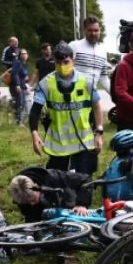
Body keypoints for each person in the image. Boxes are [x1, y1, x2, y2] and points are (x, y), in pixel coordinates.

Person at [29, 42, 104, 176]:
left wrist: (99, 132)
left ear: (73, 60)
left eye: (66, 62)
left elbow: (97, 106)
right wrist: (34, 133)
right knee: (56, 186)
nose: (62, 66)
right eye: (58, 63)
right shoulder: (46, 83)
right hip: (58, 145)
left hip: (83, 143)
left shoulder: (86, 81)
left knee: (84, 185)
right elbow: (35, 111)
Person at [8, 168, 93, 223]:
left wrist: (81, 204)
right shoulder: (19, 192)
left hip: (69, 208)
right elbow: (31, 218)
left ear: (36, 186)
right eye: (27, 203)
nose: (32, 204)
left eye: (33, 199)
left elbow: (85, 180)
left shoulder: (53, 177)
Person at [70, 16, 112, 93]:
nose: (93, 33)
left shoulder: (102, 52)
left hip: (92, 97)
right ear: (84, 30)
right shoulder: (74, 46)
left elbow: (103, 78)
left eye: (96, 30)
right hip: (74, 95)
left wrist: (116, 95)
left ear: (100, 31)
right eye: (90, 30)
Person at [10, 49, 30, 125]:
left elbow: (23, 76)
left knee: (23, 103)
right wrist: (17, 85)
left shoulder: (24, 64)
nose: (24, 55)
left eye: (26, 53)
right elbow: (14, 74)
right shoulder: (17, 62)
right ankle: (18, 121)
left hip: (22, 86)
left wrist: (25, 86)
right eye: (22, 53)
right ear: (20, 55)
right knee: (19, 103)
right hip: (16, 86)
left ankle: (19, 120)